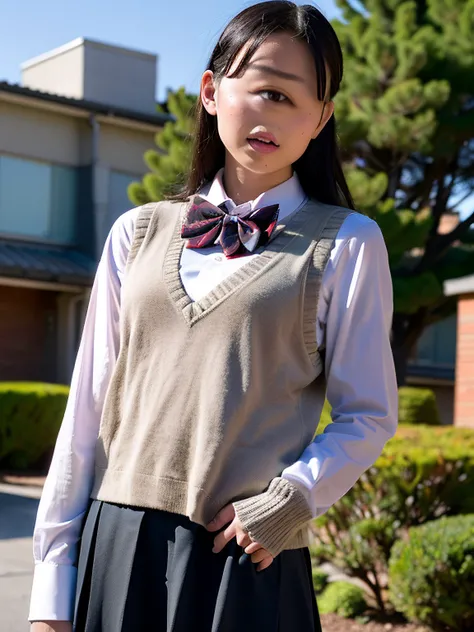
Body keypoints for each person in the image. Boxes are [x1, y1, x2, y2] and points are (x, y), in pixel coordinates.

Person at [29, 2, 398, 631]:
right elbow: (85, 415)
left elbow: (369, 414)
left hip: (245, 557)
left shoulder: (348, 243)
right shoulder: (136, 233)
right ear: (210, 91)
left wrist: (293, 499)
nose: (272, 113)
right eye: (260, 89)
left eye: (294, 98)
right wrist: (50, 588)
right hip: (117, 545)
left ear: (322, 119)